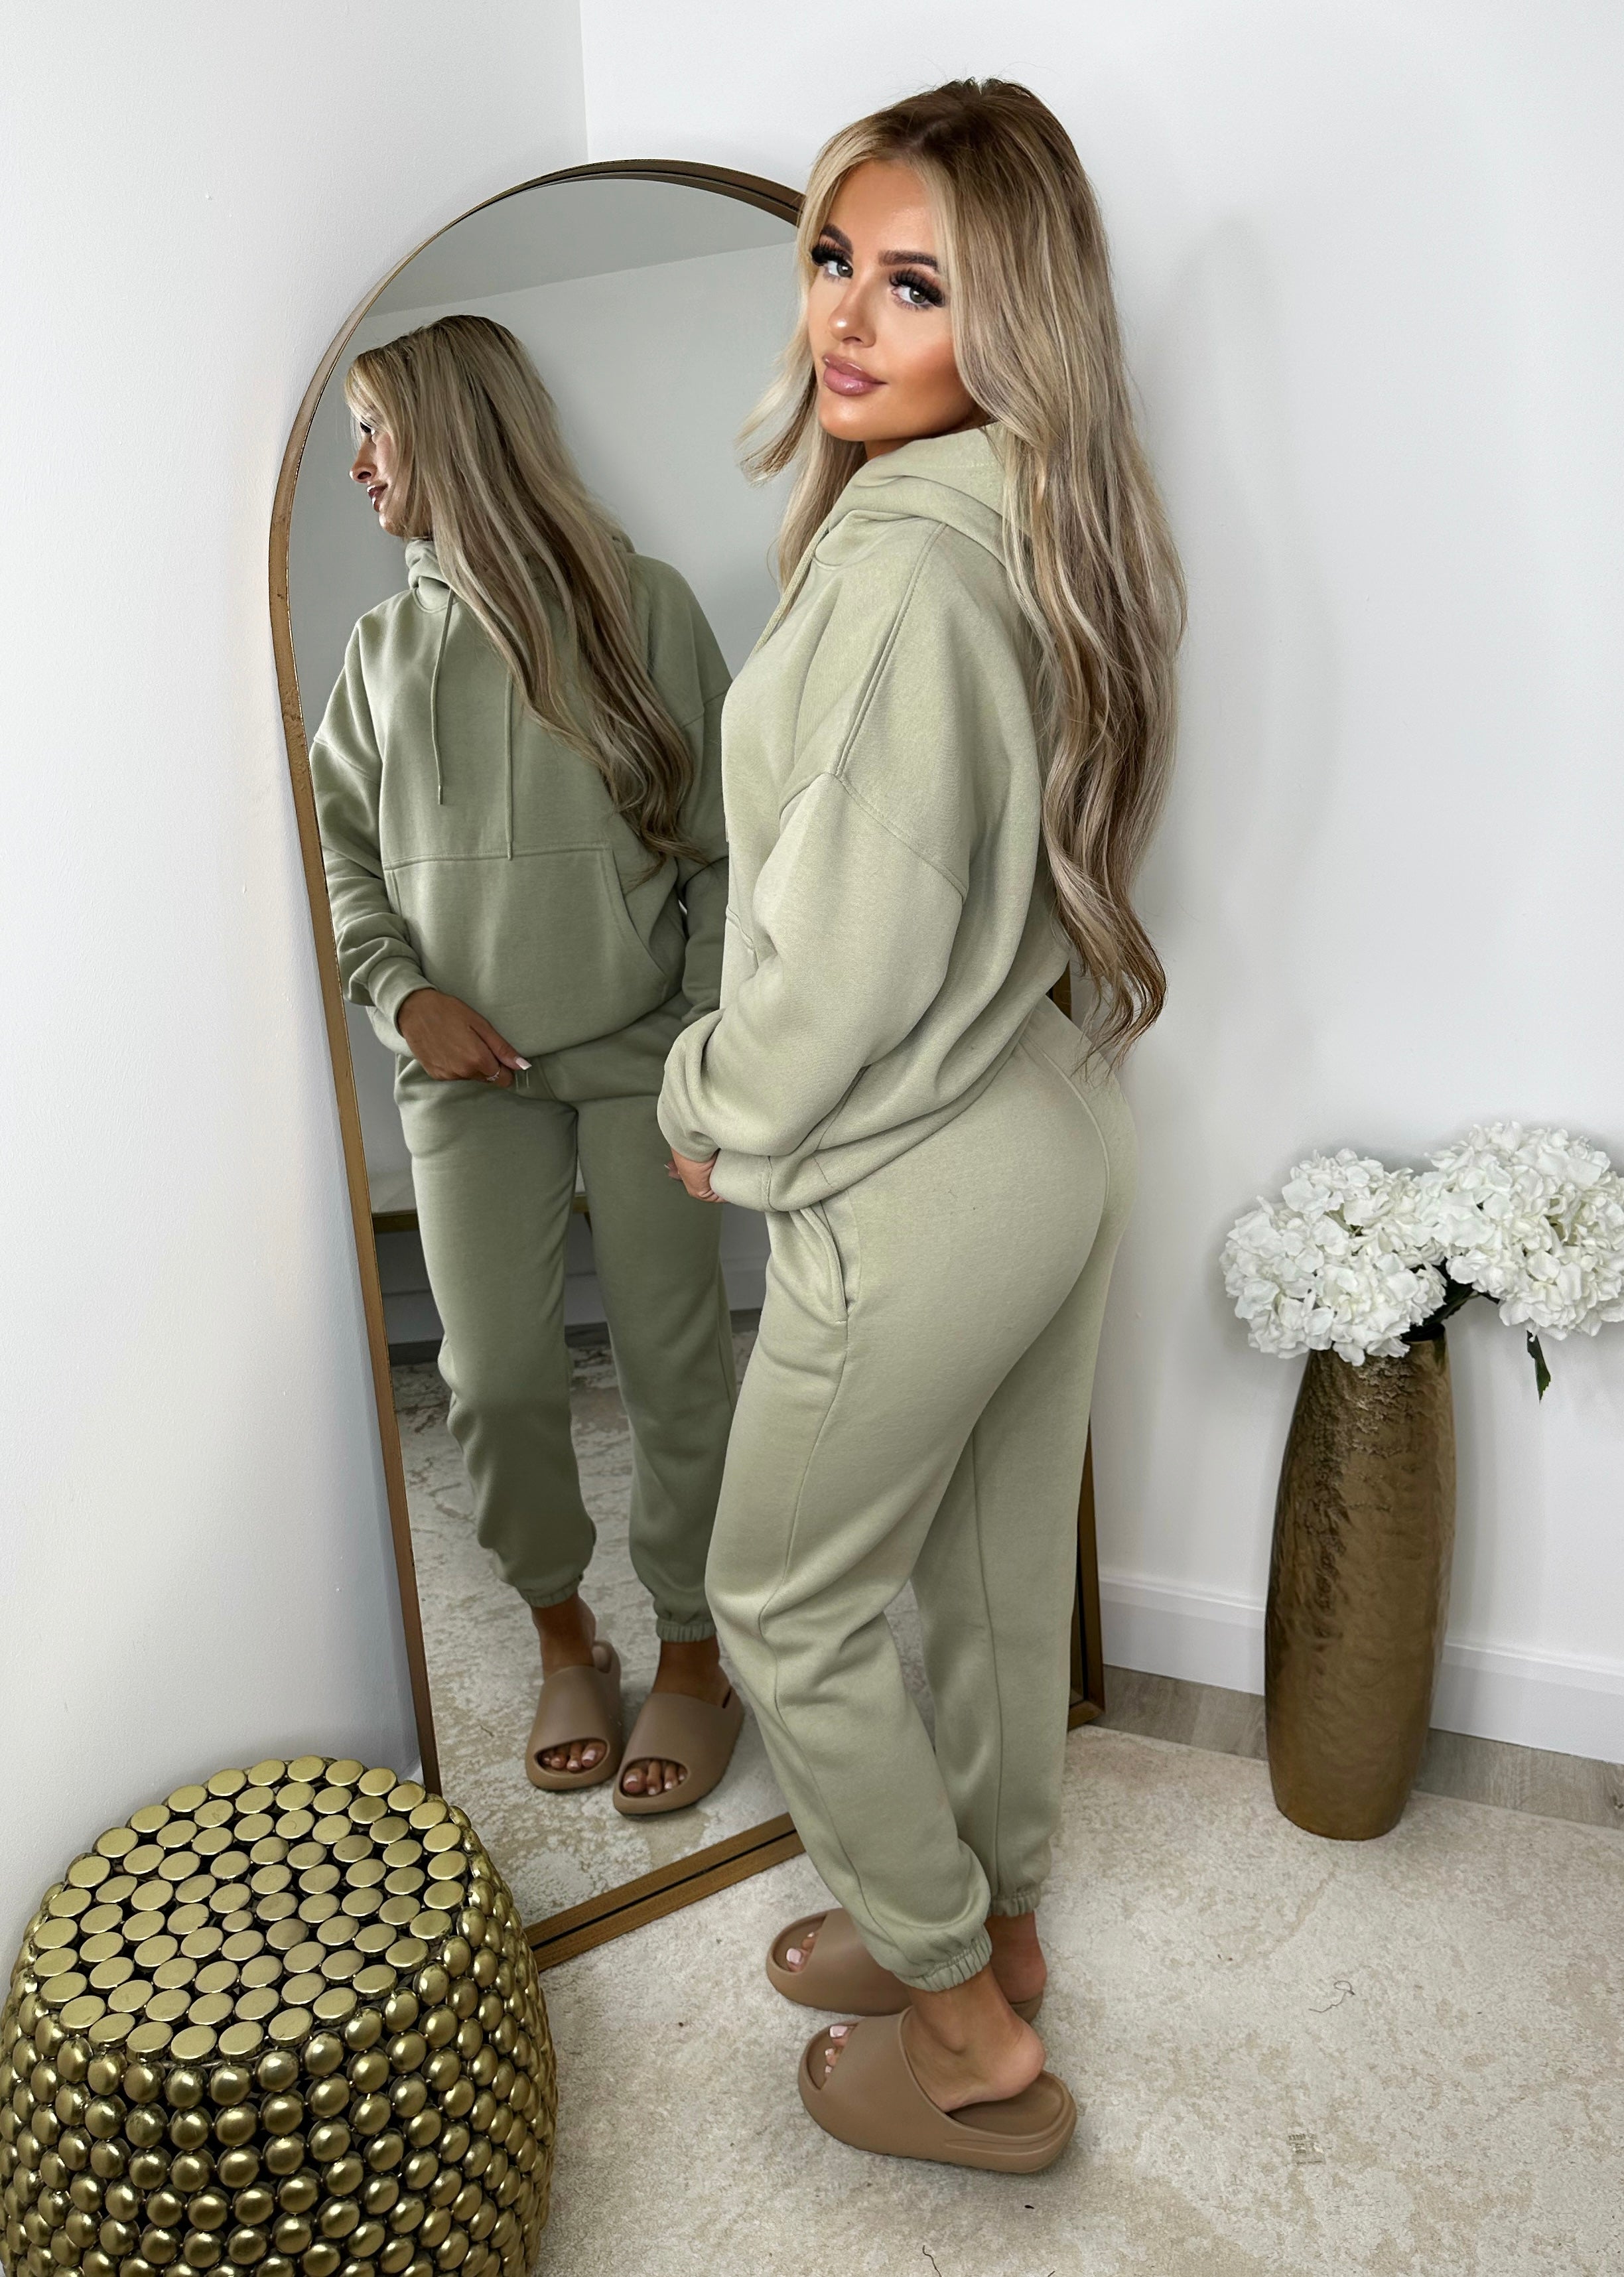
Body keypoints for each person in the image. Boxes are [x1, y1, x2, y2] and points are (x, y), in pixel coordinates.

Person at [657, 82, 1183, 2170]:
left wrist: (707, 1101)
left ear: (1015, 319)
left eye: (916, 286)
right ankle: (989, 1927)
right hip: (1046, 1122)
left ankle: (965, 2039)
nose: (847, 322)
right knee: (984, 1571)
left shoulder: (897, 577)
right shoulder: (1029, 528)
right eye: (830, 262)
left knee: (782, 1601)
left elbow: (839, 965)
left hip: (920, 1170)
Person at [310, 314, 745, 1811]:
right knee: (492, 1382)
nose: (360, 467)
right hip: (463, 1072)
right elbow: (340, 857)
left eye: (375, 430)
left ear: (457, 428)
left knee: (676, 1368)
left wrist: (699, 1044)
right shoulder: (378, 654)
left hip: (640, 1056)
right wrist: (400, 996)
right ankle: (568, 1637)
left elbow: (724, 850)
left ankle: (691, 1650)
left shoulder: (644, 605)